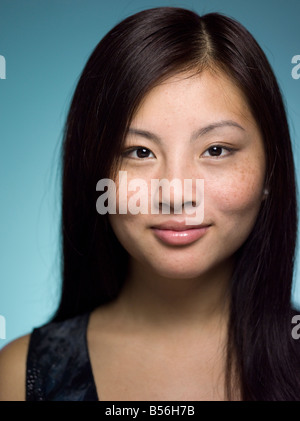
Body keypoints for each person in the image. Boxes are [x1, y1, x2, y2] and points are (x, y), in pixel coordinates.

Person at [0, 6, 300, 401]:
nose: (175, 194)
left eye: (215, 149)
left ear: (270, 172)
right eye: (139, 152)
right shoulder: (21, 375)